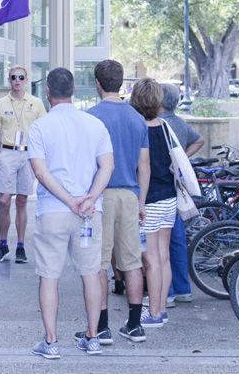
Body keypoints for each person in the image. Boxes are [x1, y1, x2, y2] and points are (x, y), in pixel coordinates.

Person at [28, 67, 114, 359]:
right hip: (89, 212)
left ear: (48, 92)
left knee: (48, 276)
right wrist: (90, 197)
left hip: (53, 210)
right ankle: (92, 337)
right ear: (75, 90)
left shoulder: (40, 127)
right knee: (91, 274)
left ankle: (51, 342)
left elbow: (40, 172)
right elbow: (107, 166)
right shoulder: (94, 124)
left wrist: (68, 199)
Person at [80, 60, 150, 345]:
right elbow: (144, 165)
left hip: (102, 195)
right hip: (130, 195)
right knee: (132, 261)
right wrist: (141, 201)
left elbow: (86, 163)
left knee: (98, 263)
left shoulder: (91, 117)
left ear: (97, 83)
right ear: (120, 83)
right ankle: (134, 324)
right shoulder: (137, 118)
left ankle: (102, 326)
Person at [130, 78, 177, 328]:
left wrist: (141, 202)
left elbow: (143, 167)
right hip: (169, 197)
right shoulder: (165, 126)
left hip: (151, 199)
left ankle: (154, 312)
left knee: (150, 260)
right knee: (163, 256)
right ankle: (161, 308)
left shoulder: (140, 128)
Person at [0, 66, 46, 263]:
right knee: (4, 200)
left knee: (22, 200)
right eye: (13, 77)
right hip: (8, 152)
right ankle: (3, 244)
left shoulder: (36, 103)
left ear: (26, 79)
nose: (17, 80)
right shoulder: (0, 104)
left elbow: (42, 131)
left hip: (28, 154)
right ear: (9, 79)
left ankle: (20, 246)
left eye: (21, 77)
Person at [159, 83, 205, 305]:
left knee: (160, 242)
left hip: (162, 186)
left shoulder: (159, 124)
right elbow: (199, 140)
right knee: (177, 238)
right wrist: (183, 158)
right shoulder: (180, 123)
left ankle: (165, 292)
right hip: (178, 185)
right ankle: (183, 288)